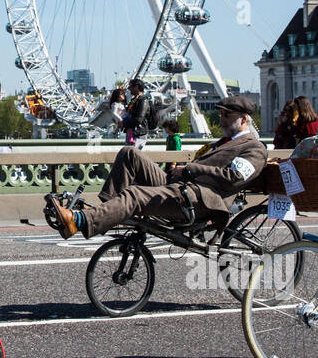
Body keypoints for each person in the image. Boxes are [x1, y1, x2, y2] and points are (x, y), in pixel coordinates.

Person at [43, 95, 266, 239]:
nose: (222, 119)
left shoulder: (254, 148)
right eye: (221, 114)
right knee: (129, 153)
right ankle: (109, 212)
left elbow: (235, 176)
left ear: (244, 119)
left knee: (134, 194)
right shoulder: (222, 142)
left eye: (228, 115)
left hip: (198, 200)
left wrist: (191, 170)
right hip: (180, 187)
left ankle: (80, 221)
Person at [120, 79, 151, 148]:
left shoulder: (143, 100)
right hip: (132, 132)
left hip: (139, 133)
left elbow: (139, 119)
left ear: (137, 87)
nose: (129, 89)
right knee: (128, 155)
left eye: (130, 87)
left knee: (134, 155)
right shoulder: (134, 100)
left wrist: (124, 123)